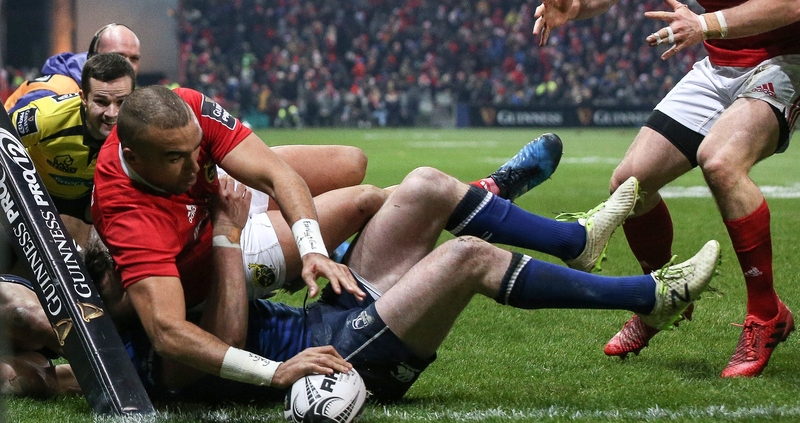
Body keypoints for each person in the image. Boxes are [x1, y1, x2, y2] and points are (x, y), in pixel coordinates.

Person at [94, 158, 719, 402]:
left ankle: (575, 243)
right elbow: (220, 339)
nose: (132, 273)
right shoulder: (136, 353)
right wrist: (228, 236)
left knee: (421, 185)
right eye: (117, 276)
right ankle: (653, 296)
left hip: (324, 314)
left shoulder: (149, 280)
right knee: (466, 256)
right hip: (343, 359)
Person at [533, 0, 800, 377]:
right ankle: (662, 298)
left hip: (784, 61)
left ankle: (766, 313)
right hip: (718, 65)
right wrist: (576, 8)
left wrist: (707, 23)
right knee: (629, 184)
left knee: (721, 163)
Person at [10, 53, 136, 249]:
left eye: (121, 102)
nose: (113, 114)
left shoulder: (141, 129)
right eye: (101, 102)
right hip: (34, 194)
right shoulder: (44, 117)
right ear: (83, 98)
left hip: (88, 202)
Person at [4, 23, 141, 114]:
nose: (127, 66)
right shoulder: (51, 93)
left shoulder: (123, 94)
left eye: (134, 59)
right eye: (118, 57)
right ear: (93, 58)